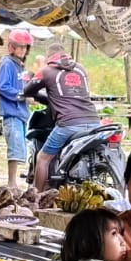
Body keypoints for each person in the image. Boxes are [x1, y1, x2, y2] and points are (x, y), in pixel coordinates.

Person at [27, 42, 100, 190]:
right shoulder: (80, 68)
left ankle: (36, 196)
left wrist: (39, 96)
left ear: (49, 57)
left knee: (42, 158)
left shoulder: (46, 70)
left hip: (68, 123)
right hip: (94, 122)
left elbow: (28, 90)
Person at [0, 29, 33, 187]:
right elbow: (3, 87)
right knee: (14, 149)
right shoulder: (7, 64)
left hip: (21, 113)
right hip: (12, 113)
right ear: (11, 47)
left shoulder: (20, 66)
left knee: (20, 148)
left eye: (25, 47)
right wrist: (23, 95)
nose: (22, 50)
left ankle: (14, 182)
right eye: (19, 47)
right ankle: (11, 182)